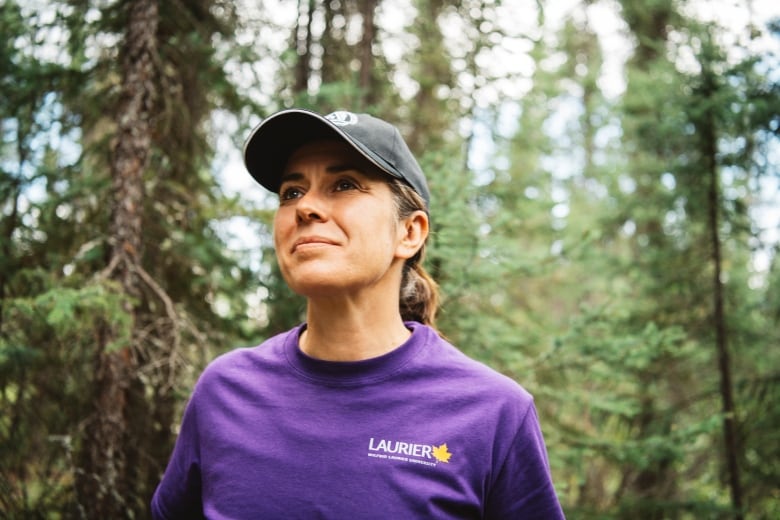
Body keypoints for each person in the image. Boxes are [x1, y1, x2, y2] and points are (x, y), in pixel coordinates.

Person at [151, 108, 565, 519]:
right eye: (291, 192)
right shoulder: (225, 391)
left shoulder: (492, 413)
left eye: (344, 184)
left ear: (409, 232)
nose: (305, 208)